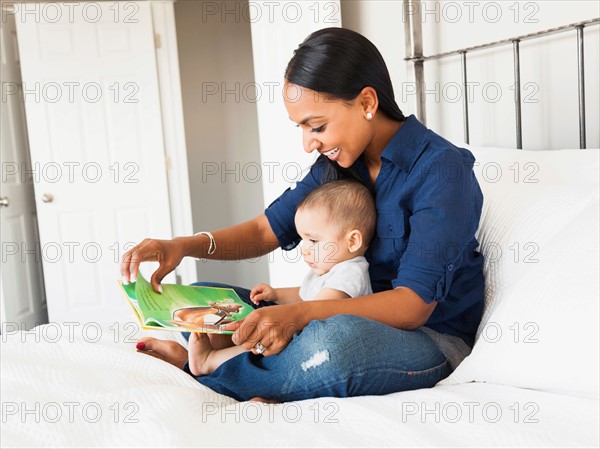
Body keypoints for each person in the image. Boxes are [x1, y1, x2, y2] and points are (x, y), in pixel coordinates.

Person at [121, 27, 484, 403]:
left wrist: (301, 316)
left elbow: (412, 306)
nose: (309, 143)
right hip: (334, 310)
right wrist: (184, 245)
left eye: (317, 126)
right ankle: (227, 362)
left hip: (426, 337)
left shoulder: (442, 171)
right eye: (302, 128)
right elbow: (265, 230)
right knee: (204, 299)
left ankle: (200, 370)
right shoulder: (339, 165)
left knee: (332, 345)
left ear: (366, 102)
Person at [186, 179, 376, 376]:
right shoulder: (327, 269)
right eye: (303, 240)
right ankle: (225, 343)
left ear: (352, 241)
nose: (304, 250)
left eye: (313, 240)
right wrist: (276, 294)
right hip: (308, 329)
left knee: (264, 340)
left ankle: (209, 362)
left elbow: (321, 306)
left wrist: (278, 318)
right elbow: (305, 295)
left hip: (324, 340)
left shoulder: (351, 272)